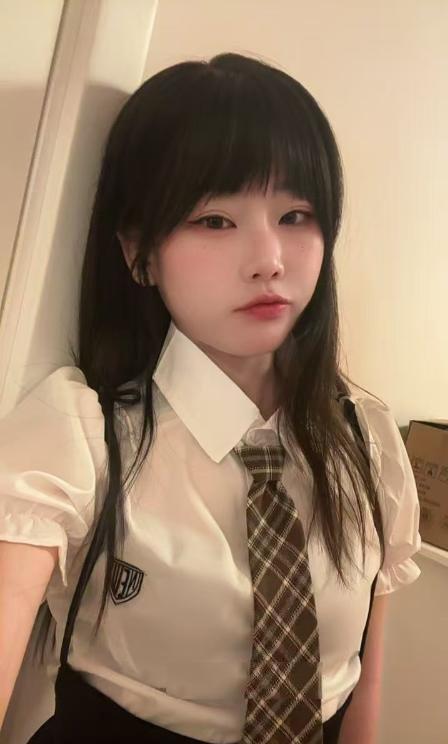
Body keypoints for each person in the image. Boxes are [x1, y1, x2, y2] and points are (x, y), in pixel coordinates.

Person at [0, 52, 421, 744]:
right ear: (139, 252)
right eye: (216, 221)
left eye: (296, 214)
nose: (270, 260)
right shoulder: (79, 432)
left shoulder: (365, 438)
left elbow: (357, 681)